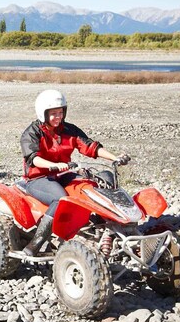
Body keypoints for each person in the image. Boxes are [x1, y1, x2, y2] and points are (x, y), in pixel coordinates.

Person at [19, 89, 127, 257]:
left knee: (93, 185)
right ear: (43, 113)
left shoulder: (69, 130)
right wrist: (55, 166)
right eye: (53, 114)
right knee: (60, 198)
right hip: (37, 179)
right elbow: (33, 159)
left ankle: (104, 228)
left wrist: (115, 158)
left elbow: (90, 147)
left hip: (62, 175)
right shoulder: (31, 133)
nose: (58, 117)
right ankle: (36, 243)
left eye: (60, 112)